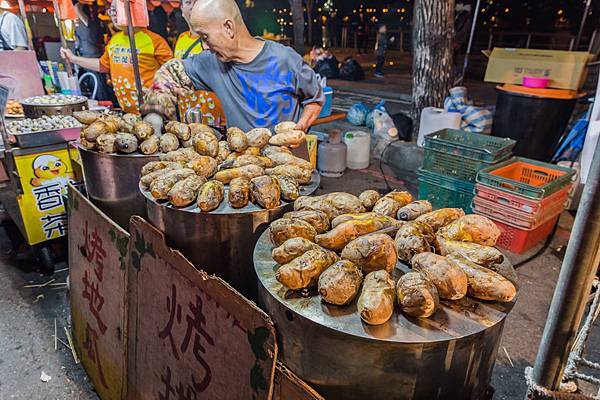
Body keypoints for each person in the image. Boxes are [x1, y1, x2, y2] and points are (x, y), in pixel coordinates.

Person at [142, 0, 324, 132]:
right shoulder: (211, 62)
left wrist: (300, 128)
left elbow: (314, 100)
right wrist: (154, 115)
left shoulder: (285, 59)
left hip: (288, 165)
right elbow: (170, 73)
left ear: (228, 27)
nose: (204, 46)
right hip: (240, 169)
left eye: (205, 37)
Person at [60, 1, 173, 114]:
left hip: (153, 111)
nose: (112, 14)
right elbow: (103, 65)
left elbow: (172, 72)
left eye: (116, 9)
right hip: (126, 111)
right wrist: (73, 58)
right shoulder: (114, 40)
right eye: (111, 10)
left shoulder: (155, 41)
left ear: (131, 9)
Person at [173, 0, 226, 126]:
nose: (193, 6)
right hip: (187, 113)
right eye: (188, 2)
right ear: (181, 10)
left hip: (214, 117)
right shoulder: (181, 38)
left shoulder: (218, 38)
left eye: (197, 1)